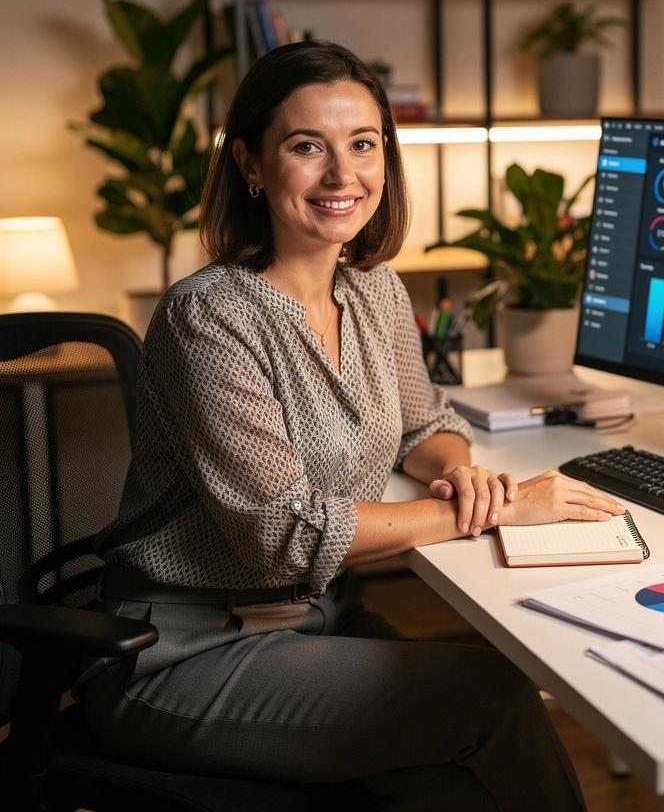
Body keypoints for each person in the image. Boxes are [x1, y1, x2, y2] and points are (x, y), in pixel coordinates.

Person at [74, 40, 626, 811]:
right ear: (251, 165)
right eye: (308, 147)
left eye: (364, 145)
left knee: (460, 788)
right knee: (494, 699)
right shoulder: (209, 315)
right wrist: (490, 510)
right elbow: (283, 534)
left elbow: (421, 424)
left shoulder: (374, 291)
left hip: (319, 622)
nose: (344, 175)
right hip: (182, 650)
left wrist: (457, 468)